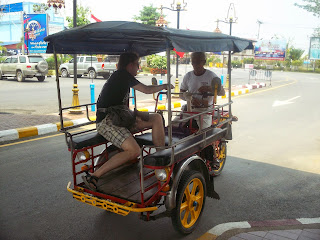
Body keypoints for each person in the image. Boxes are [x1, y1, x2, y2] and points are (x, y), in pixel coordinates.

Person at [82, 52, 173, 191]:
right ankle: (94, 176)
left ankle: (160, 159)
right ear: (130, 65)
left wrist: (136, 114)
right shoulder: (122, 75)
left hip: (119, 118)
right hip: (107, 121)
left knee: (156, 118)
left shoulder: (121, 78)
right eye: (137, 64)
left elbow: (121, 107)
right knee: (134, 150)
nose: (138, 68)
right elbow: (147, 90)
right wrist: (164, 86)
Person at [176, 52, 225, 129]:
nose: (195, 65)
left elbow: (222, 92)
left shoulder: (211, 76)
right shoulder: (188, 76)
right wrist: (189, 99)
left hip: (205, 110)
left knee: (204, 133)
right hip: (190, 108)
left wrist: (209, 88)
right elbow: (181, 93)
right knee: (173, 126)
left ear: (204, 62)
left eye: (198, 62)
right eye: (193, 62)